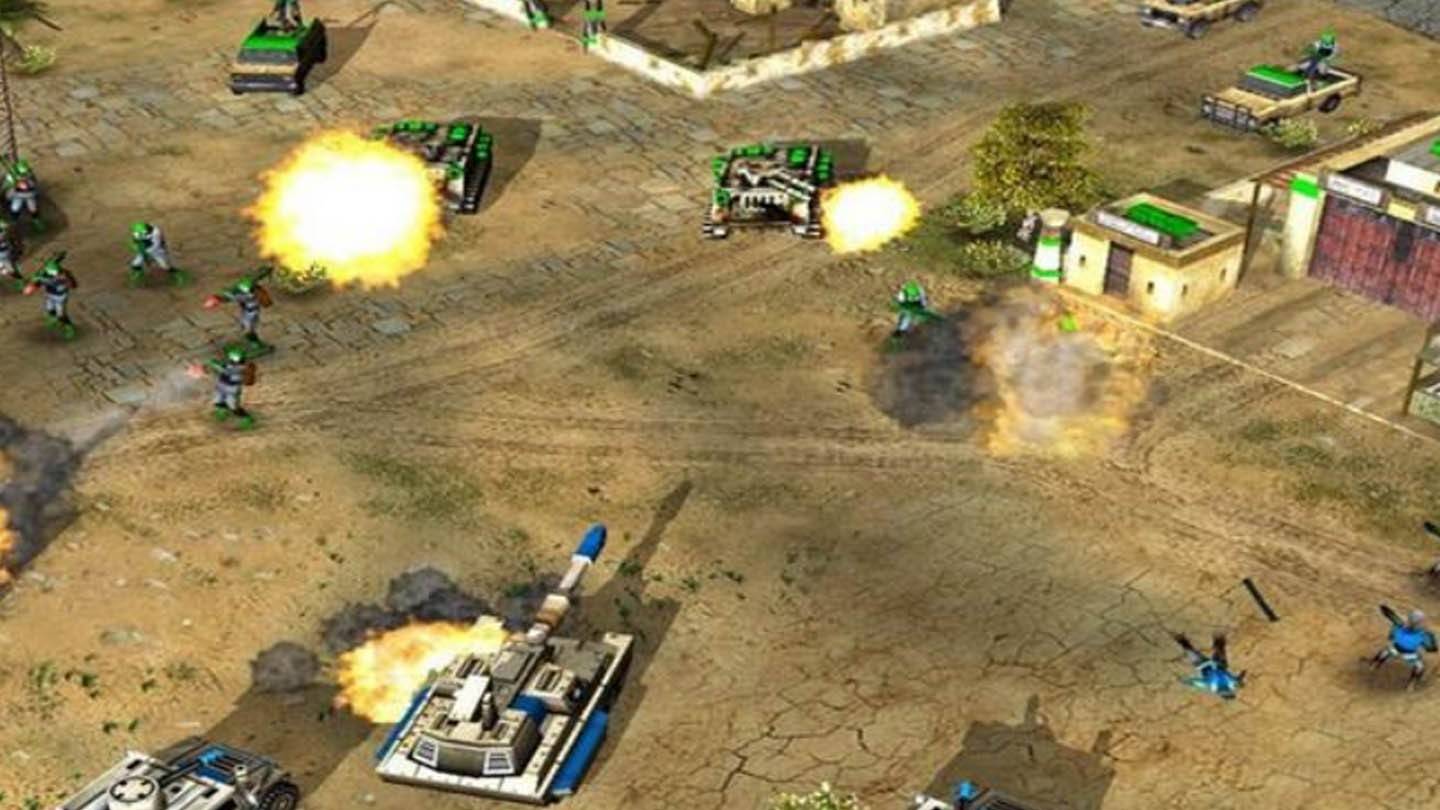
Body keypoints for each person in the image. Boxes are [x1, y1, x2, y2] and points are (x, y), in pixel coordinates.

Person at [190, 344, 259, 430]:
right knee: (217, 401)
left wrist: (214, 364)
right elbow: (220, 369)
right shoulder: (228, 364)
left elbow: (226, 371)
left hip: (232, 390)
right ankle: (222, 411)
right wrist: (208, 367)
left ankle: (246, 418)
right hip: (221, 387)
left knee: (233, 407)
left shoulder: (242, 368)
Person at [205, 270, 274, 353]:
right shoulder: (249, 290)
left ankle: (256, 343)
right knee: (244, 326)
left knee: (249, 329)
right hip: (246, 310)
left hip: (252, 313)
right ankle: (250, 338)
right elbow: (256, 276)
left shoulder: (248, 295)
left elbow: (231, 297)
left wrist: (218, 298)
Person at [1370, 606, 1437, 688]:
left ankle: (1374, 665)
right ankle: (1411, 684)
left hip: (1399, 650)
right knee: (1419, 667)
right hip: (1407, 653)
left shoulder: (1400, 624)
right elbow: (1431, 649)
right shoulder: (1423, 634)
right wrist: (1432, 638)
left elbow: (1390, 615)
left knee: (1384, 653)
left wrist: (1384, 608)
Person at [22, 253, 78, 340]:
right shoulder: (44, 276)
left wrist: (68, 280)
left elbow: (73, 285)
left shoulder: (63, 276)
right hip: (50, 295)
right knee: (50, 310)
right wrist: (32, 285)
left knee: (61, 315)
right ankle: (54, 319)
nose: (56, 275)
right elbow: (35, 285)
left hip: (60, 298)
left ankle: (69, 327)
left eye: (57, 273)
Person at [1174, 633, 1244, 699]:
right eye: (1228, 692)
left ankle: (1182, 641)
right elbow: (1238, 680)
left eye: (1224, 692)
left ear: (1220, 693)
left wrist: (1186, 681)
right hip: (1219, 664)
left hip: (1203, 665)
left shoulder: (1210, 685)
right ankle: (1219, 638)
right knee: (1220, 648)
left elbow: (1196, 683)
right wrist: (1240, 679)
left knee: (1190, 651)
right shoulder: (1232, 683)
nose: (1225, 690)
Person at [128, 222, 187, 286]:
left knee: (165, 266)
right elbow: (135, 241)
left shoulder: (155, 233)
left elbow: (155, 246)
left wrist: (144, 252)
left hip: (157, 252)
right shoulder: (139, 232)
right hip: (144, 250)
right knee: (135, 264)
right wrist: (137, 247)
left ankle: (177, 274)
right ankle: (139, 272)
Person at [4, 160, 42, 231]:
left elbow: (35, 189)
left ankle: (36, 220)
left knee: (33, 208)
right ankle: (14, 220)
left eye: (26, 173)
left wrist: (28, 185)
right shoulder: (11, 179)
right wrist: (15, 186)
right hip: (17, 196)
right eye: (23, 174)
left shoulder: (30, 177)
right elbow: (8, 194)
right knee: (15, 208)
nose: (25, 175)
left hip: (29, 195)